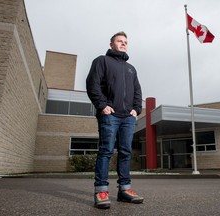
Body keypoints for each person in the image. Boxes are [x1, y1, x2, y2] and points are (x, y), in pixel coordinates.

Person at [86, 31, 143, 209]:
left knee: (125, 152)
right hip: (109, 115)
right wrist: (102, 105)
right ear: (112, 44)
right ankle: (101, 190)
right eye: (120, 41)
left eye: (126, 41)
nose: (124, 43)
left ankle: (124, 190)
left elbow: (137, 91)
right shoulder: (102, 61)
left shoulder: (131, 68)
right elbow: (92, 84)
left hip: (128, 117)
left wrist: (136, 109)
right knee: (106, 151)